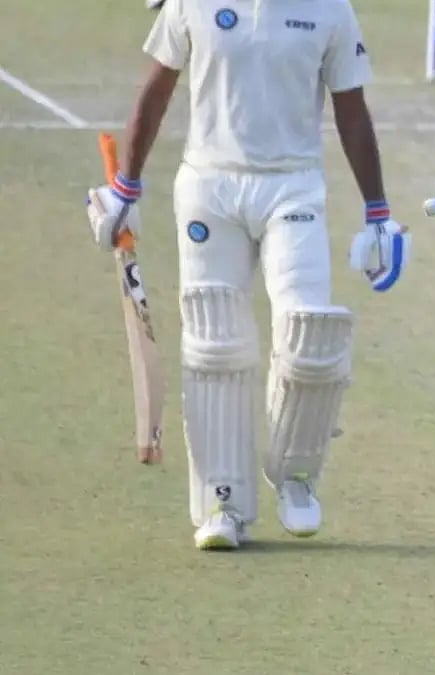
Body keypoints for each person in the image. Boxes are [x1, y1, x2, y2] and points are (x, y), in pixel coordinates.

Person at [85, 0, 410, 550]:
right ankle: (222, 502)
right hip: (210, 188)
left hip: (294, 185)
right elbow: (158, 87)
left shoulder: (330, 9)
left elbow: (350, 107)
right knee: (214, 345)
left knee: (311, 333)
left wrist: (377, 210)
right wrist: (127, 187)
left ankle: (296, 476)